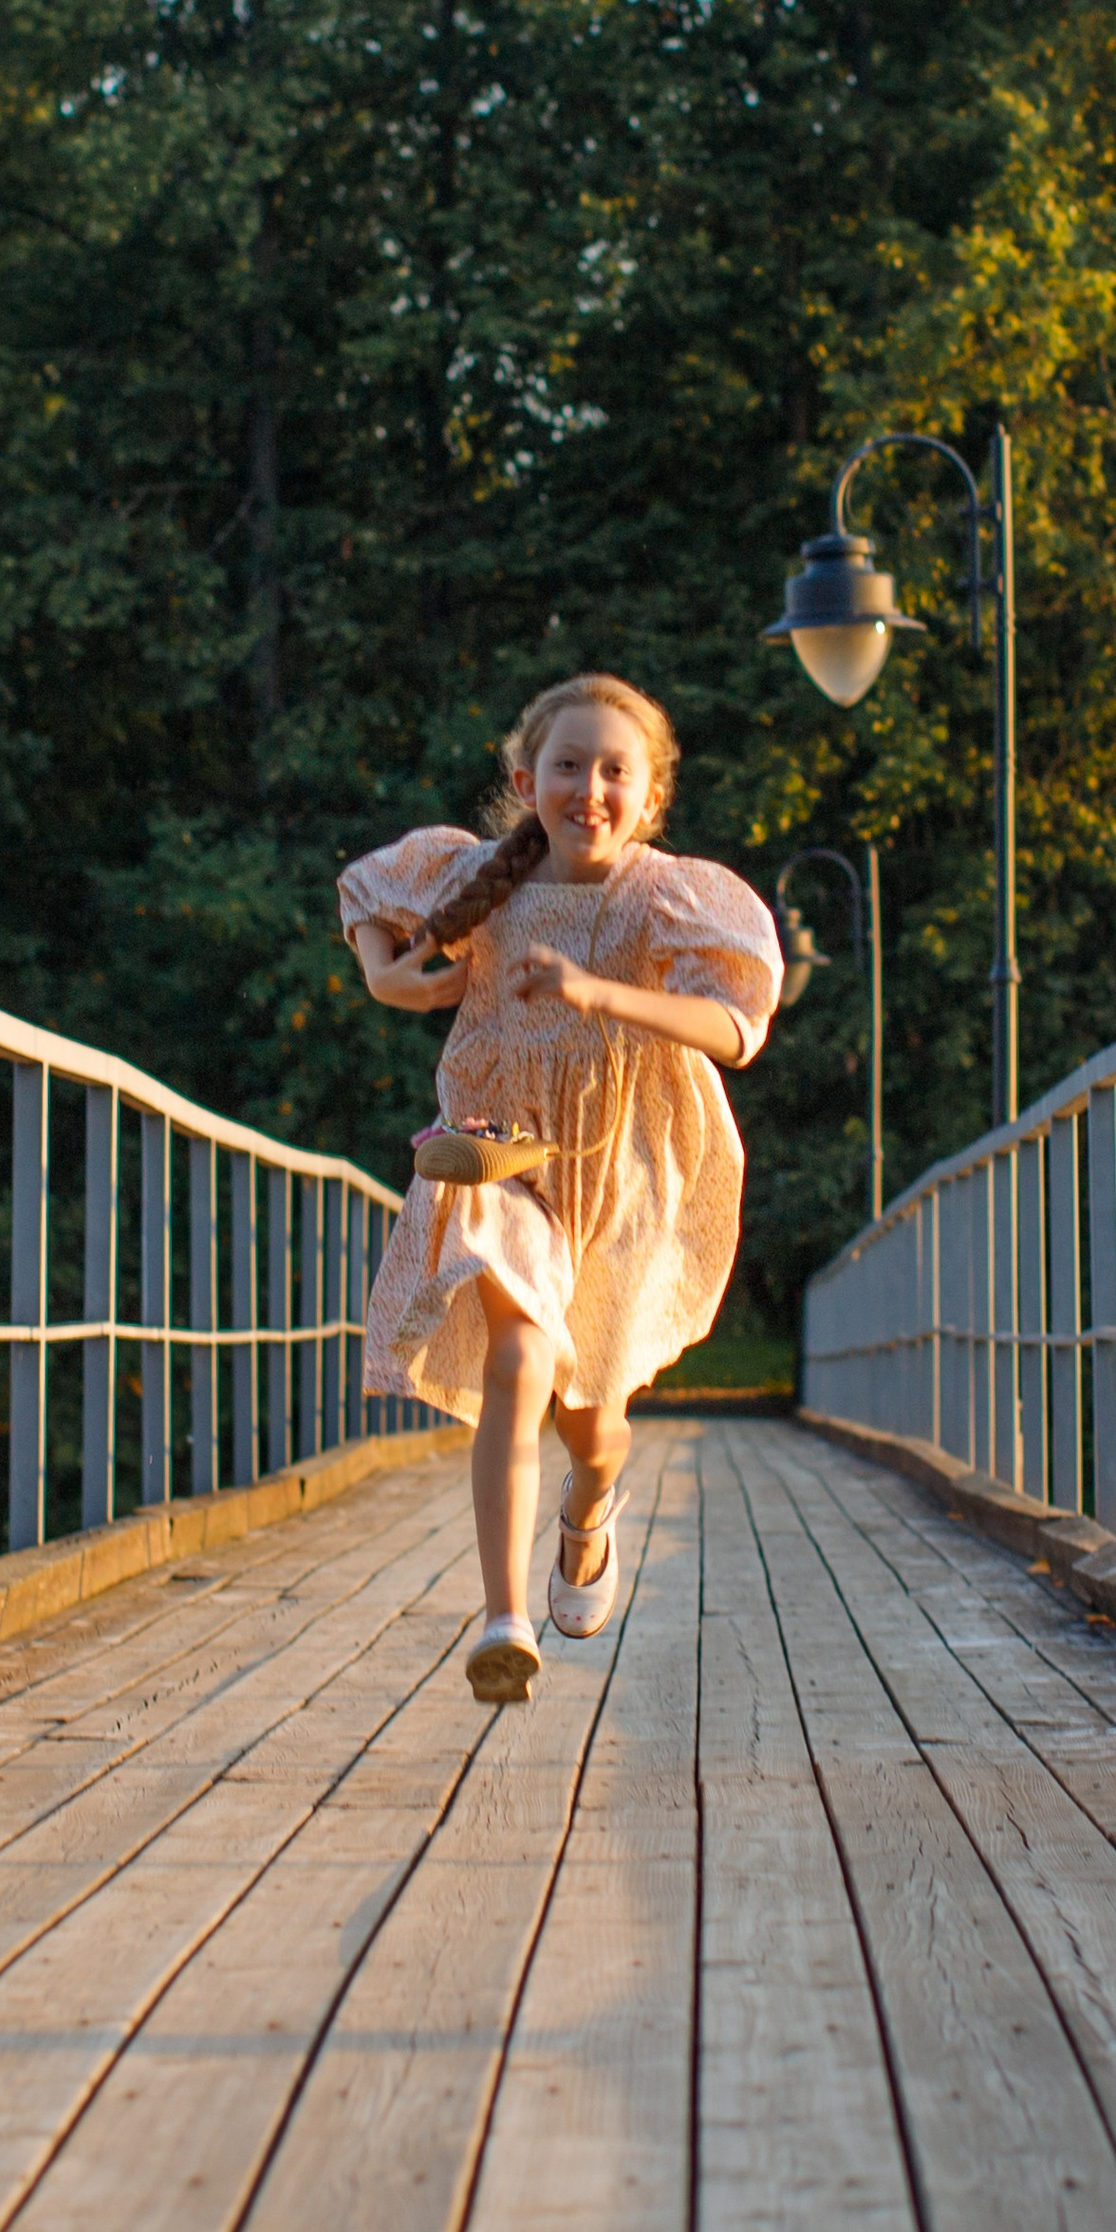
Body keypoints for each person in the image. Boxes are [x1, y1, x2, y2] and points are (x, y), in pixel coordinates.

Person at [338, 673, 783, 1703]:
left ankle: (590, 1504)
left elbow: (736, 1027)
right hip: (508, 1162)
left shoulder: (662, 893)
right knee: (516, 1359)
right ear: (525, 777)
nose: (589, 787)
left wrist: (600, 993)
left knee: (592, 1418)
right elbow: (367, 889)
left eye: (613, 770)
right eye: (568, 765)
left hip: (629, 1174)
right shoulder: (480, 876)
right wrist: (382, 976)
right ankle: (504, 1621)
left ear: (649, 796)